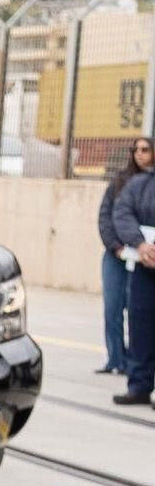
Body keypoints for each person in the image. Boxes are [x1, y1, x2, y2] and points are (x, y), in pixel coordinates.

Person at [96, 137, 152, 375]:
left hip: (145, 257)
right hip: (117, 254)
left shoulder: (149, 185)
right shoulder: (120, 180)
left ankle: (135, 361)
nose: (139, 154)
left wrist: (143, 247)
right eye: (135, 149)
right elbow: (106, 216)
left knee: (138, 311)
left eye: (145, 149)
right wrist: (117, 247)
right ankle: (115, 359)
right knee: (112, 308)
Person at [111, 158, 155, 408]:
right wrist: (140, 244)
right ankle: (138, 386)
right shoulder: (140, 184)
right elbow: (122, 212)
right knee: (140, 326)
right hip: (143, 267)